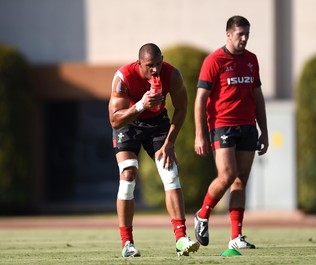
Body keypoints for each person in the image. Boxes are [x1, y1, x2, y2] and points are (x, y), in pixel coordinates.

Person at [108, 43, 200, 257]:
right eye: (150, 66)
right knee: (128, 174)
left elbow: (181, 108)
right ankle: (127, 243)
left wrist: (169, 142)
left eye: (158, 64)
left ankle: (181, 239)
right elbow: (115, 120)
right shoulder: (124, 77)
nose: (155, 70)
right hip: (129, 123)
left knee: (170, 173)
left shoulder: (172, 74)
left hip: (158, 124)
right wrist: (141, 105)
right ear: (139, 63)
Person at [193, 15, 269, 250]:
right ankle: (202, 215)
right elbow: (200, 100)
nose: (244, 38)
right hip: (222, 125)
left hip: (247, 126)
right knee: (227, 175)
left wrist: (263, 131)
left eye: (247, 34)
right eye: (240, 34)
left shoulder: (251, 60)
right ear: (228, 35)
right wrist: (200, 134)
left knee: (240, 181)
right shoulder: (214, 60)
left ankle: (236, 236)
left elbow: (257, 97)